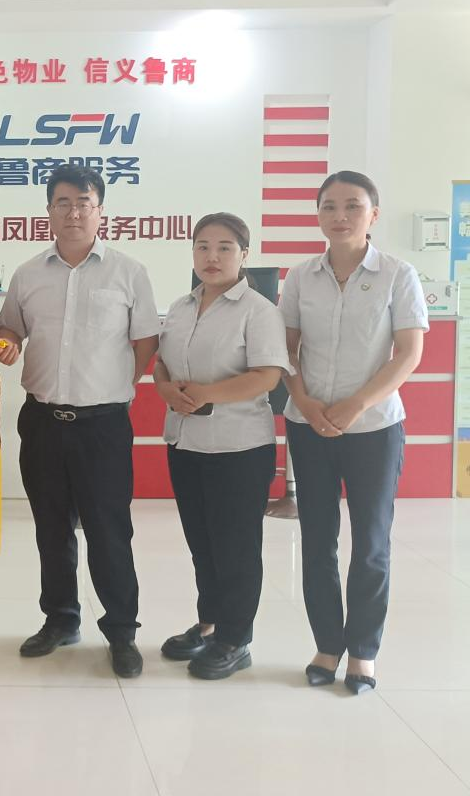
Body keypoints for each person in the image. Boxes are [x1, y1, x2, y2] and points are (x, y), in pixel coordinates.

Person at [0, 166, 159, 679]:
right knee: (51, 528)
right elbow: (10, 328)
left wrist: (118, 385)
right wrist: (8, 343)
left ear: (100, 210)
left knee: (110, 532)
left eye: (84, 202)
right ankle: (61, 619)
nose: (73, 212)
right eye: (62, 202)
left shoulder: (129, 272)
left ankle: (122, 631)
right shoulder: (28, 274)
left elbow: (146, 340)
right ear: (48, 210)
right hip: (42, 421)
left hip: (102, 425)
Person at [281, 170, 427, 695]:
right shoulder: (300, 277)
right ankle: (327, 644)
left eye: (352, 206)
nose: (339, 216)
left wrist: (356, 404)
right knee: (317, 540)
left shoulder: (397, 274)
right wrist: (305, 402)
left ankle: (363, 650)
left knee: (370, 543)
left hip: (374, 428)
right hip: (309, 425)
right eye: (329, 206)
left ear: (373, 215)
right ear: (318, 214)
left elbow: (408, 353)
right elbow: (286, 350)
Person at [154, 213, 289, 679]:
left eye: (224, 248)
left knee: (236, 547)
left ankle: (236, 638)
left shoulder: (258, 310)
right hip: (185, 441)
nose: (212, 257)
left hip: (238, 447)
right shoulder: (180, 307)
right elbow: (163, 363)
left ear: (244, 255)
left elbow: (267, 376)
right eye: (203, 247)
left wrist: (206, 393)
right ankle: (209, 623)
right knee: (202, 543)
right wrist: (165, 388)